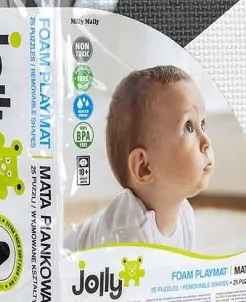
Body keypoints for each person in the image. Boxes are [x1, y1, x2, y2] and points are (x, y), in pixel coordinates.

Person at [65, 65, 214, 251]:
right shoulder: (128, 239)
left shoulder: (184, 215)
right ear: (144, 167)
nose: (206, 141)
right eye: (188, 127)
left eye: (202, 124)